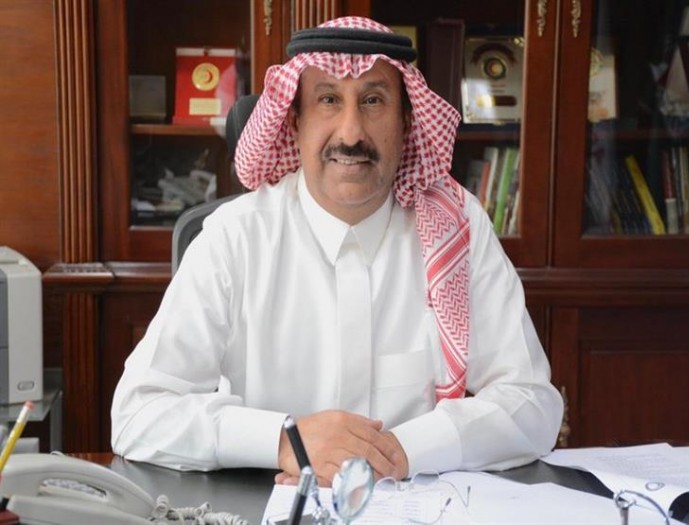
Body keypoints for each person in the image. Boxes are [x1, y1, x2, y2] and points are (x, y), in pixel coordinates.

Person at [111, 16, 563, 488]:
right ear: (295, 121)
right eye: (328, 100)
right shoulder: (236, 237)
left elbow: (533, 403)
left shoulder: (456, 229)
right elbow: (138, 412)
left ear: (407, 122)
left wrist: (400, 451)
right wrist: (286, 442)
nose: (351, 134)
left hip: (414, 504)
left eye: (373, 101)